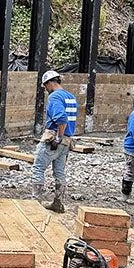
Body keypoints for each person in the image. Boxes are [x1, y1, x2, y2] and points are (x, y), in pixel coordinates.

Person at [31, 70, 78, 213]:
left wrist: (57, 137)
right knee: (59, 172)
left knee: (38, 168)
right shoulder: (70, 96)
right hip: (67, 140)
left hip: (54, 138)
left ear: (50, 83)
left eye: (46, 85)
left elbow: (61, 118)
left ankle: (35, 204)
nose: (46, 89)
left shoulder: (54, 96)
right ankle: (58, 203)